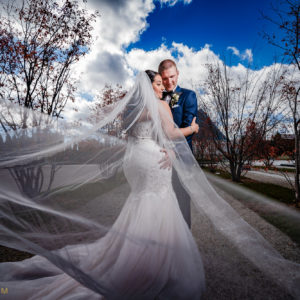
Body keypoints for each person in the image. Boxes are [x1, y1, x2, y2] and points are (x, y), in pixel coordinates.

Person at [0, 71, 299, 299]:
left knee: (142, 199)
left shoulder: (133, 111)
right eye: (157, 83)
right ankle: (148, 265)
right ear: (149, 86)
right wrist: (193, 127)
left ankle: (135, 255)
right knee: (157, 200)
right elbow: (170, 133)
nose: (161, 87)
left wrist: (163, 145)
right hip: (152, 160)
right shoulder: (158, 106)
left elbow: (139, 134)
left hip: (136, 159)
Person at [158, 59, 197, 228]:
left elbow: (188, 129)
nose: (169, 82)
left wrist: (174, 151)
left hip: (180, 158)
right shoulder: (156, 97)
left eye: (172, 77)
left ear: (178, 73)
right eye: (165, 78)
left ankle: (184, 243)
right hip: (158, 158)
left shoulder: (188, 95)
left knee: (181, 201)